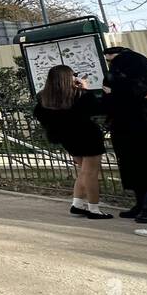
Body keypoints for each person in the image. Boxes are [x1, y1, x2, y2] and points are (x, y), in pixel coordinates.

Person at [101, 48, 147, 238]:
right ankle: (142, 205)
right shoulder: (133, 82)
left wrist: (115, 94)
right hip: (130, 136)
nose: (113, 67)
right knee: (138, 172)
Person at [33, 64, 112, 220]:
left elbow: (42, 117)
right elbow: (97, 109)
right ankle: (94, 209)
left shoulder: (45, 97)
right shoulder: (78, 95)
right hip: (88, 137)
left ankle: (77, 204)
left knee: (83, 171)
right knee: (91, 173)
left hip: (68, 138)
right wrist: (85, 89)